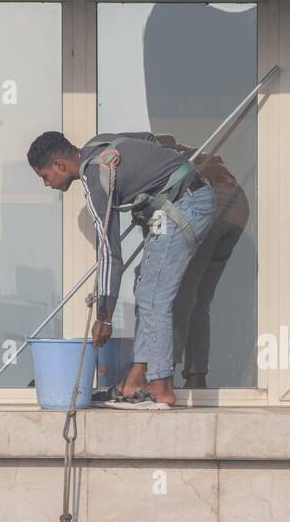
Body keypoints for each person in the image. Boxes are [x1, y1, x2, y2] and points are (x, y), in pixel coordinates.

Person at [27, 130, 216, 408]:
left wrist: (104, 317)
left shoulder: (94, 180)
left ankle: (161, 386)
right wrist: (149, 188)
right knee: (145, 284)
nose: (47, 184)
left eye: (44, 176)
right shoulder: (100, 143)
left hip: (185, 205)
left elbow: (109, 254)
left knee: (154, 295)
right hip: (184, 200)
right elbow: (151, 140)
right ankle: (136, 378)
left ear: (59, 165)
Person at [155, 134, 250, 389]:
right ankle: (196, 376)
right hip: (237, 208)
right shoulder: (186, 153)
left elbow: (161, 213)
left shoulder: (156, 159)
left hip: (211, 210)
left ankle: (163, 375)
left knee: (178, 296)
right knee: (198, 300)